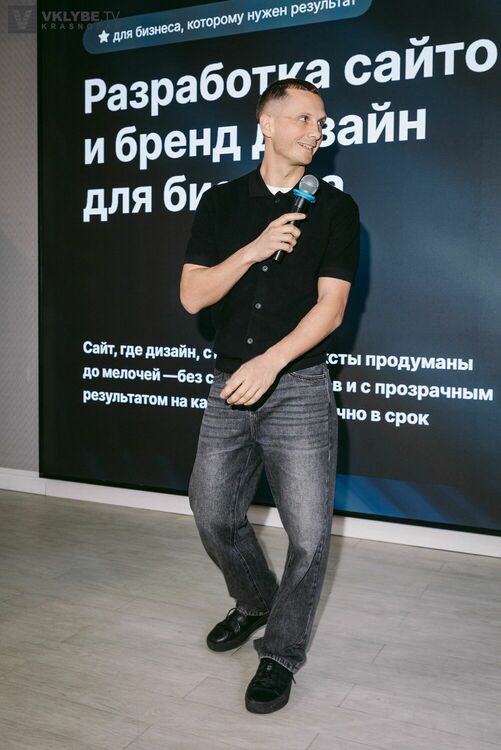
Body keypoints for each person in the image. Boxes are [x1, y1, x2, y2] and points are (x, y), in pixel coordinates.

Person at [180, 78, 360, 714]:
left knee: (308, 536)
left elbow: (331, 308)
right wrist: (253, 249)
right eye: (304, 118)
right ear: (267, 123)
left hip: (298, 387)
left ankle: (281, 654)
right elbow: (193, 296)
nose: (317, 130)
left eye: (321, 121)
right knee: (212, 513)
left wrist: (271, 361)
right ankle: (256, 599)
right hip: (229, 385)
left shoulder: (336, 209)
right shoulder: (222, 202)